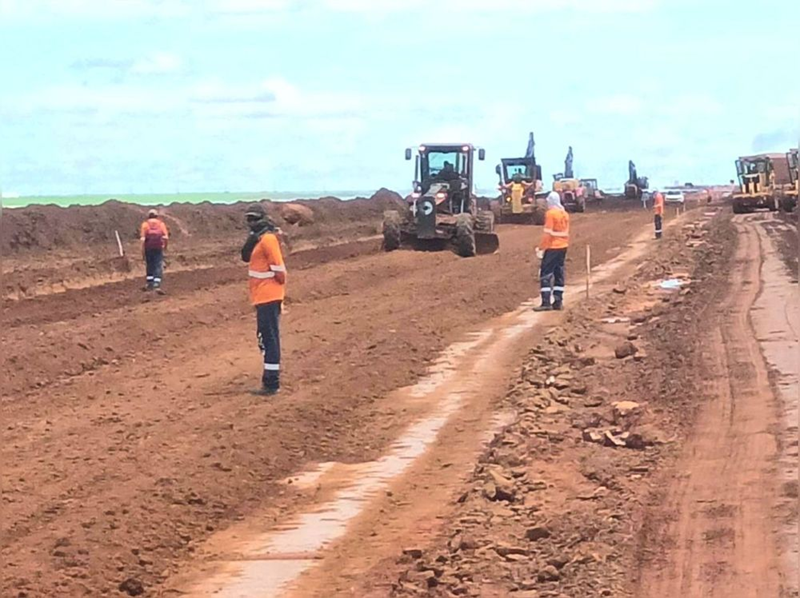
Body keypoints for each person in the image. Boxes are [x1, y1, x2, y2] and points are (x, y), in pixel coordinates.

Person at [241, 204, 286, 396]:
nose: (250, 223)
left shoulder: (267, 239)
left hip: (268, 296)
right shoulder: (260, 239)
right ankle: (270, 379)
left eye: (253, 219)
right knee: (266, 337)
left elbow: (279, 270)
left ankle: (271, 383)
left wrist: (275, 290)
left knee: (269, 339)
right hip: (263, 296)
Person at [534, 191, 570, 312]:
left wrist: (541, 248)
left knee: (546, 273)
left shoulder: (551, 214)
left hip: (552, 247)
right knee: (559, 273)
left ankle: (546, 302)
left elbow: (547, 234)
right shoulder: (564, 213)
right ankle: (558, 301)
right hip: (563, 247)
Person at [140, 209, 169, 293]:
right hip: (158, 247)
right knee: (158, 264)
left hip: (148, 247)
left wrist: (142, 250)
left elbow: (142, 239)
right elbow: (166, 237)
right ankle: (156, 284)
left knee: (149, 264)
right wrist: (165, 247)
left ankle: (149, 283)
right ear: (157, 216)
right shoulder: (161, 224)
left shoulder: (145, 224)